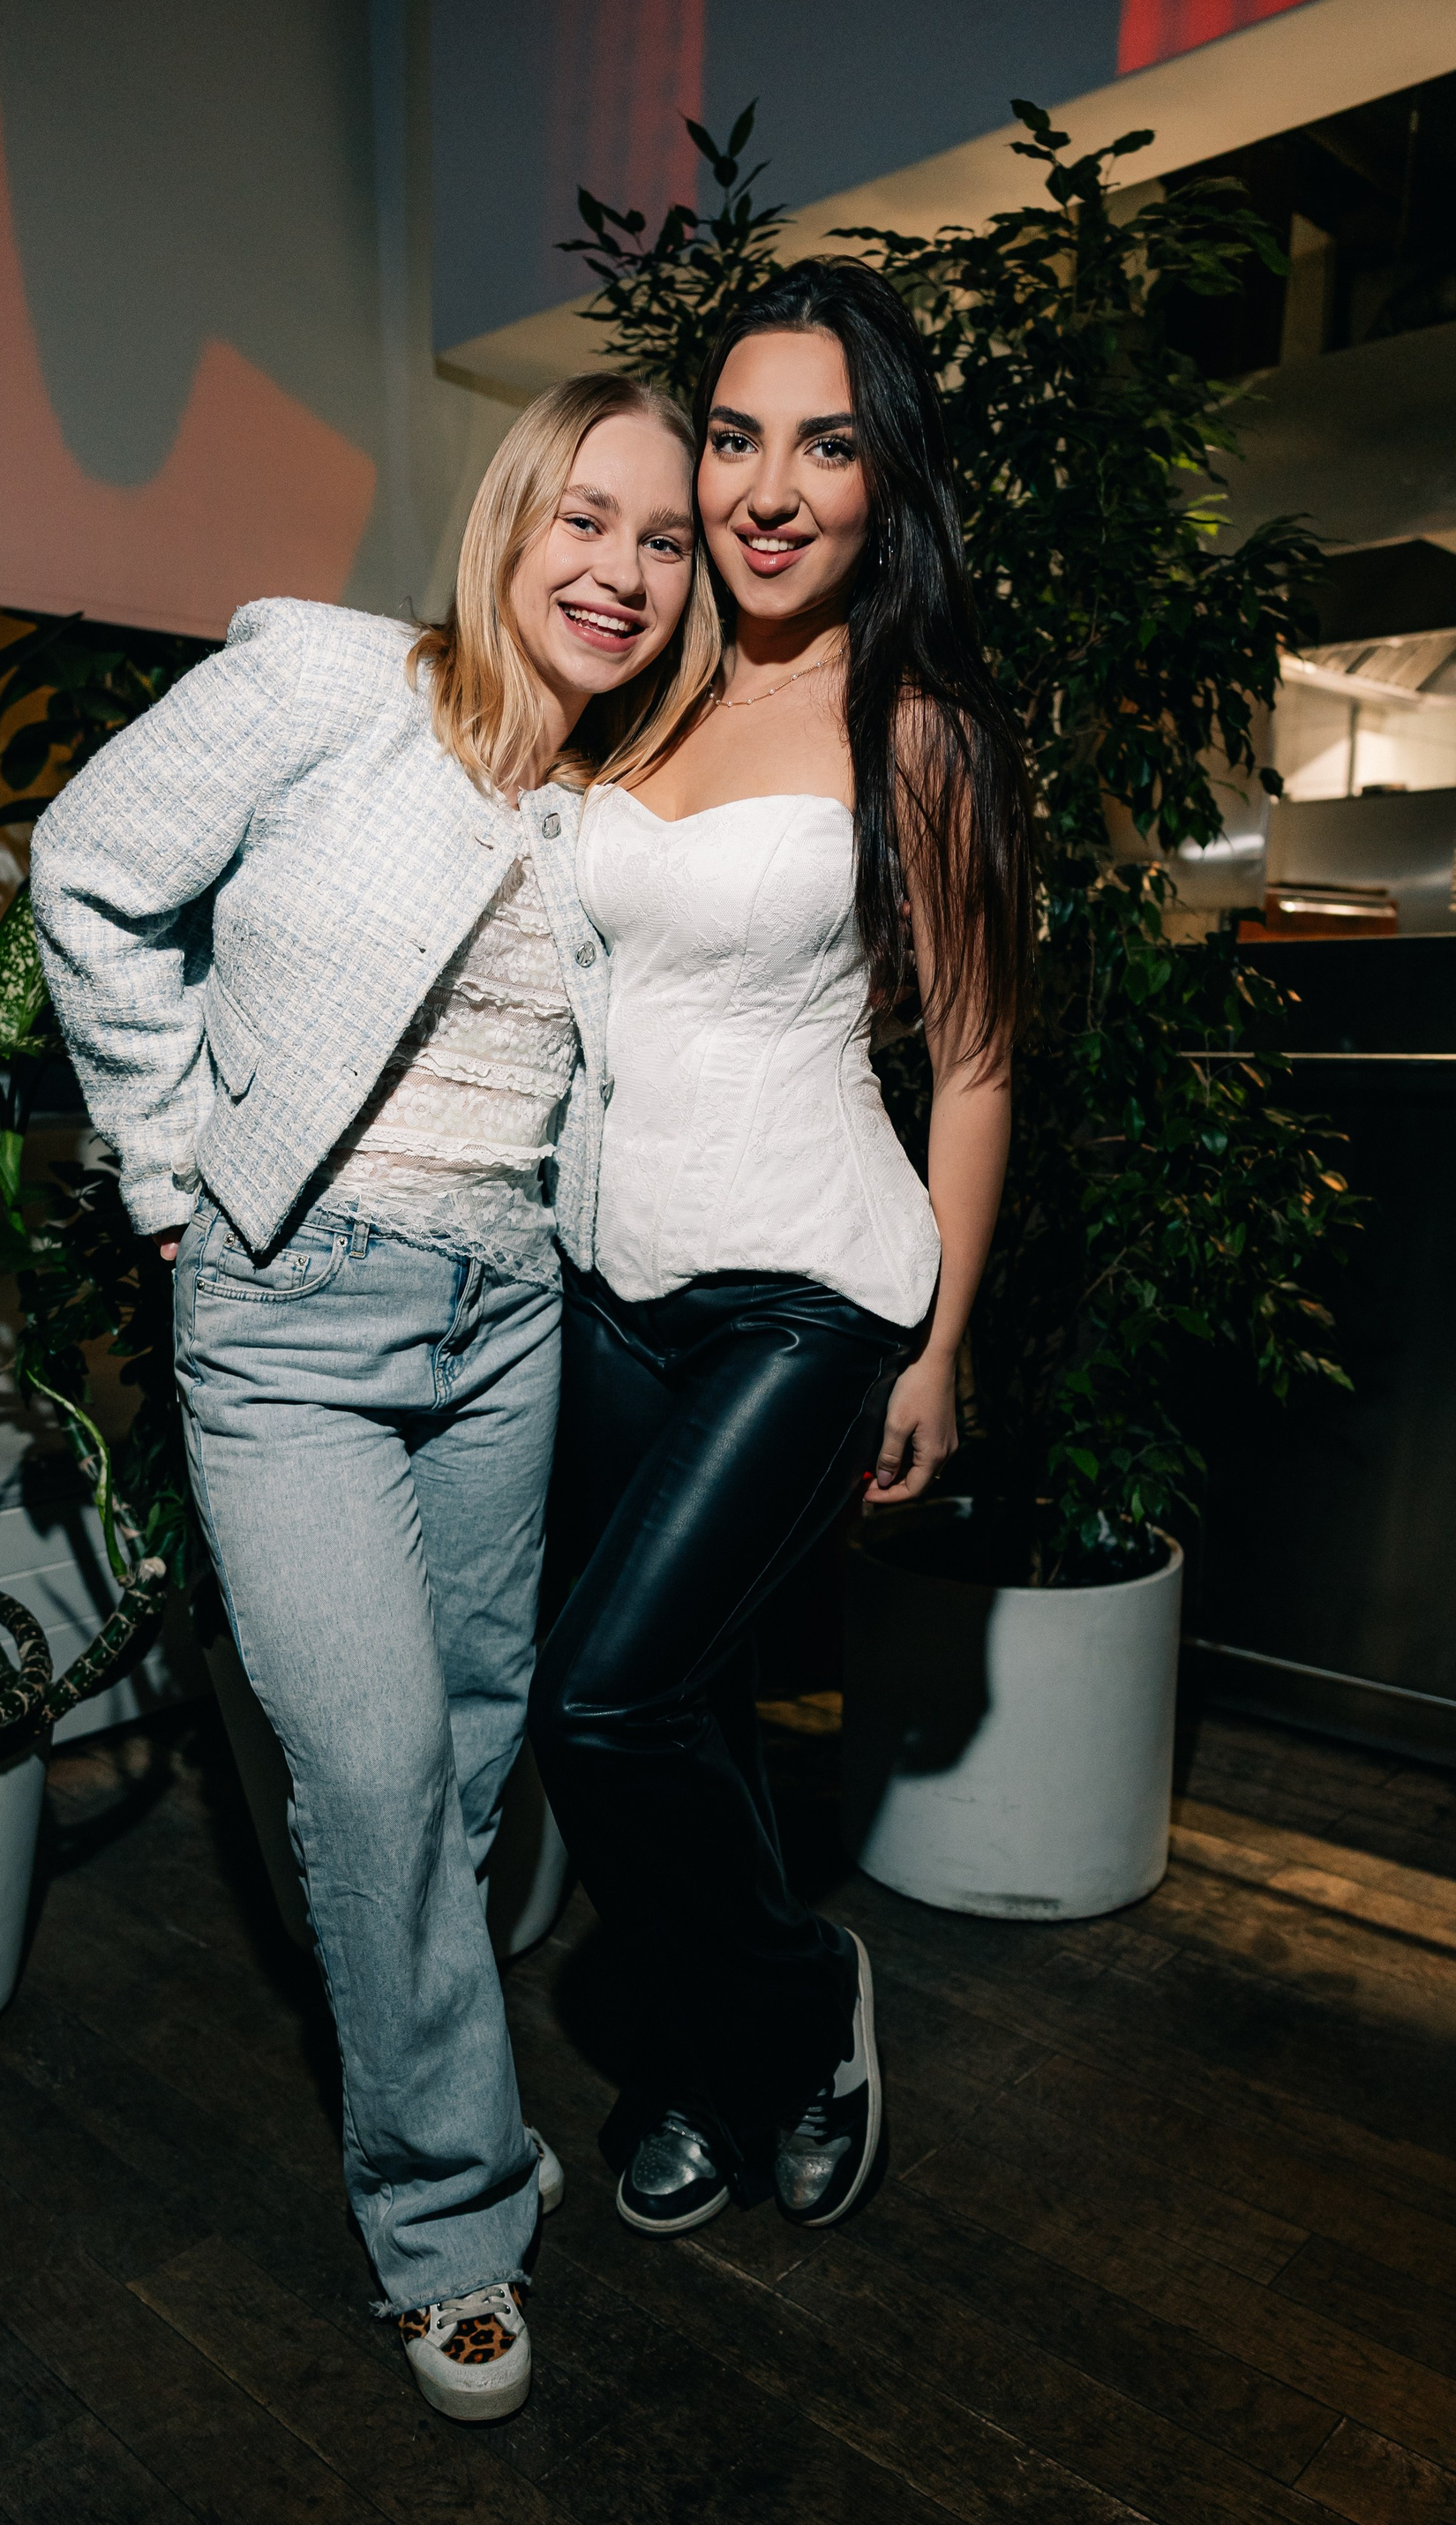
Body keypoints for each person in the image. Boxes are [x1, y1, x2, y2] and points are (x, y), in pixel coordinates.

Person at [32, 372, 717, 2422]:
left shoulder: (614, 806)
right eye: (589, 517)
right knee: (374, 1763)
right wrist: (172, 1171)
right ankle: (448, 2218)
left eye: (666, 542)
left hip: (508, 1317)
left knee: (476, 1742)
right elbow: (89, 867)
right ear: (512, 516)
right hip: (292, 1319)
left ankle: (453, 2089)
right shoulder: (329, 684)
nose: (623, 570)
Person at [529, 260, 1035, 2237]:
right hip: (606, 1286)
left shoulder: (920, 730)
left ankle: (800, 2003)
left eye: (824, 446)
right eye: (735, 437)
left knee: (601, 1702)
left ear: (883, 478)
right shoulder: (640, 679)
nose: (766, 488)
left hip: (809, 1289)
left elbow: (974, 1066)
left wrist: (941, 1346)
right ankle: (696, 2052)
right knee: (691, 1708)